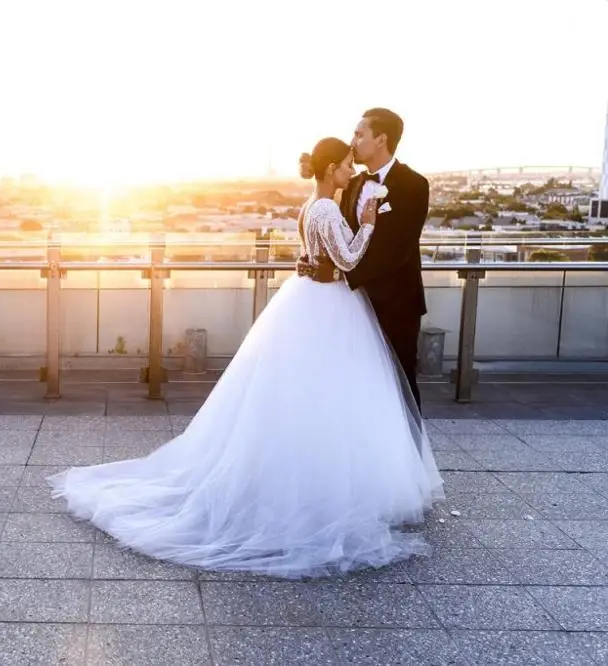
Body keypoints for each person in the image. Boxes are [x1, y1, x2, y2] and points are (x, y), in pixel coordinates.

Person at [48, 137, 444, 580]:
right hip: (330, 303)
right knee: (332, 397)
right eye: (347, 165)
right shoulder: (329, 209)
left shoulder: (308, 206)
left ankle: (294, 477)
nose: (351, 171)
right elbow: (349, 259)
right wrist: (368, 223)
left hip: (306, 299)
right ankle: (325, 487)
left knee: (297, 396)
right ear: (332, 168)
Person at [297, 108, 430, 410]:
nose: (353, 141)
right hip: (352, 305)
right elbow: (338, 237)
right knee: (358, 386)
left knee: (400, 382)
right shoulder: (353, 184)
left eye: (359, 134)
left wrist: (338, 275)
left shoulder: (414, 185)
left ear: (381, 139)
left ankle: (409, 453)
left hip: (396, 305)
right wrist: (311, 263)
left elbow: (399, 250)